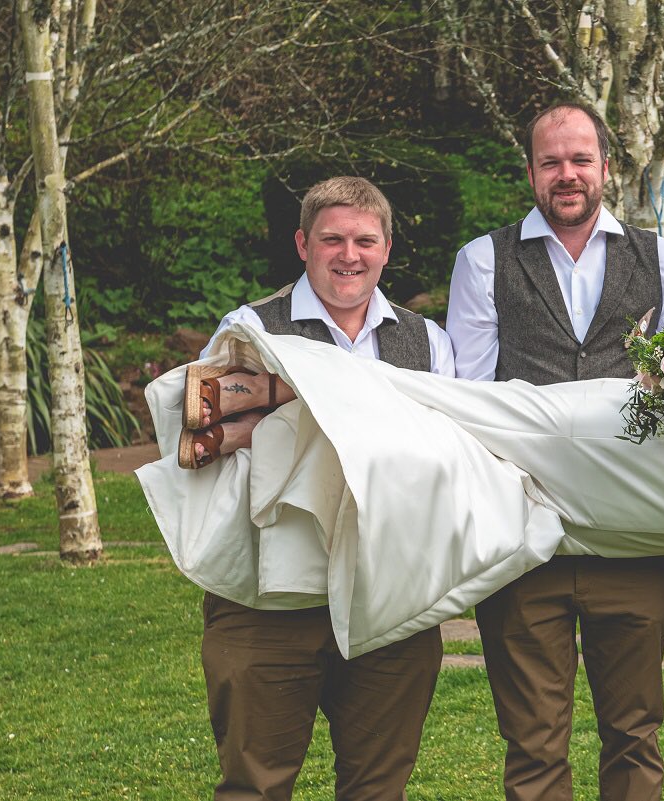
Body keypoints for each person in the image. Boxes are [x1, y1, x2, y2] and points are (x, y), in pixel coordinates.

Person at [138, 285, 664, 669]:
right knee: (481, 411)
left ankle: (289, 448)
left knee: (494, 499)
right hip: (647, 433)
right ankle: (254, 394)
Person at [159, 176, 455, 801]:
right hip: (268, 603)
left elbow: (448, 455)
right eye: (332, 239)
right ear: (302, 243)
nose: (349, 255)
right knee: (255, 787)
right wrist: (315, 394)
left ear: (388, 248)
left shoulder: (428, 341)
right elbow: (196, 425)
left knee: (379, 788)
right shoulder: (250, 328)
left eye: (364, 241)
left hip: (388, 598)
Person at [444, 102, 664, 801]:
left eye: (581, 159)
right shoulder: (482, 260)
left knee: (635, 735)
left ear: (606, 169)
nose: (567, 174)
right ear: (530, 170)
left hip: (632, 539)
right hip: (524, 541)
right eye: (551, 161)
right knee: (532, 746)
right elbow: (472, 401)